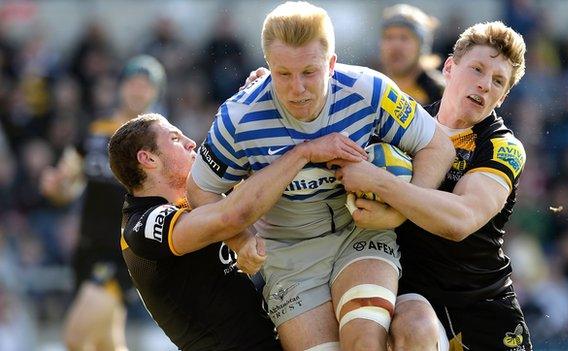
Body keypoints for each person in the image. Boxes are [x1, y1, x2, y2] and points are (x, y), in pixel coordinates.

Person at [188, 2, 455, 350]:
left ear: (331, 64)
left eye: (309, 72)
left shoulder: (369, 90)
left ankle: (418, 326)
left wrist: (406, 206)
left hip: (358, 233)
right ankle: (416, 324)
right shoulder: (238, 118)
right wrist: (240, 240)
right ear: (268, 66)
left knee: (364, 341)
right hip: (286, 252)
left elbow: (438, 146)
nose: (297, 88)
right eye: (283, 74)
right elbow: (199, 190)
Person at [333, 21, 533, 351]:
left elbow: (459, 221)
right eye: (477, 70)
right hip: (416, 296)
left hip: (482, 305)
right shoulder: (407, 128)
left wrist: (380, 184)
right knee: (413, 325)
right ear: (450, 68)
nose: (484, 85)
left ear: (504, 95)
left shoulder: (503, 147)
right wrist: (266, 87)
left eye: (498, 81)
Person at [108, 113, 366, 350]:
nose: (191, 143)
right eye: (175, 138)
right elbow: (230, 216)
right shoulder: (143, 225)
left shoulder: (192, 201)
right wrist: (304, 153)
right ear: (148, 159)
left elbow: (253, 189)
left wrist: (259, 101)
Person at [40, 55, 165, 350]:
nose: (137, 90)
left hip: (124, 253)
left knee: (76, 338)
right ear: (120, 86)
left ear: (156, 92)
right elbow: (67, 186)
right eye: (132, 83)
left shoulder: (160, 141)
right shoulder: (96, 131)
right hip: (87, 249)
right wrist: (56, 185)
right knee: (106, 343)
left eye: (145, 85)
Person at [379, 4, 445, 105]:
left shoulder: (441, 93)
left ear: (421, 47)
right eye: (389, 37)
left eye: (404, 38)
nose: (395, 45)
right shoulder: (375, 88)